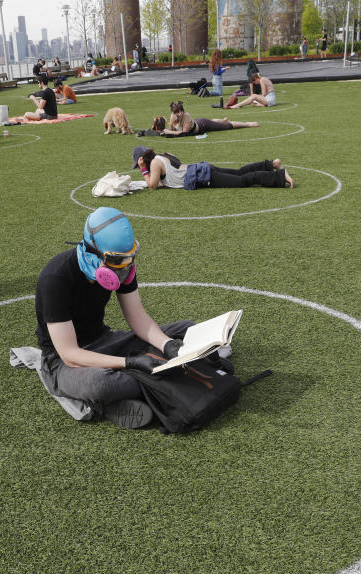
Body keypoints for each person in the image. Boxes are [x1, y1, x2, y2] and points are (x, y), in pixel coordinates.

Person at [34, 207, 193, 428]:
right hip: (63, 363)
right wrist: (129, 362)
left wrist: (167, 345)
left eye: (129, 260)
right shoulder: (55, 278)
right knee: (101, 385)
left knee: (188, 330)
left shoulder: (123, 268)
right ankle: (106, 404)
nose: (123, 269)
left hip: (105, 341)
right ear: (92, 252)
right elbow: (70, 354)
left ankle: (156, 376)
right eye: (117, 261)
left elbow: (137, 316)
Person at [132, 145, 294, 189]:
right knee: (239, 173)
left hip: (202, 177)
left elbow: (152, 185)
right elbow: (163, 180)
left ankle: (280, 175)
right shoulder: (162, 156)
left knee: (241, 181)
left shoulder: (153, 163)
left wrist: (142, 169)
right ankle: (271, 164)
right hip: (202, 169)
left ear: (142, 159)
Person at [153, 101, 258, 136]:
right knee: (213, 121)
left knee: (227, 126)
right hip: (198, 122)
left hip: (203, 125)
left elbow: (184, 133)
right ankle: (222, 120)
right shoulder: (173, 116)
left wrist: (167, 131)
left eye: (181, 111)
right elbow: (173, 129)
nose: (179, 114)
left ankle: (248, 124)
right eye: (176, 112)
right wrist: (169, 124)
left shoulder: (186, 116)